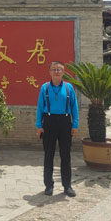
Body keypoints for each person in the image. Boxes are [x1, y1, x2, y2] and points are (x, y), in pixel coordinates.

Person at [35, 61, 79, 197]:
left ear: (63, 72)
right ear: (49, 72)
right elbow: (40, 107)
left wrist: (75, 124)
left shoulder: (69, 87)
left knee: (65, 155)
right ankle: (48, 185)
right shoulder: (45, 88)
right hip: (49, 122)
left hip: (65, 122)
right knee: (49, 154)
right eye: (54, 69)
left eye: (59, 69)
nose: (56, 72)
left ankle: (67, 186)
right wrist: (39, 126)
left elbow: (74, 106)